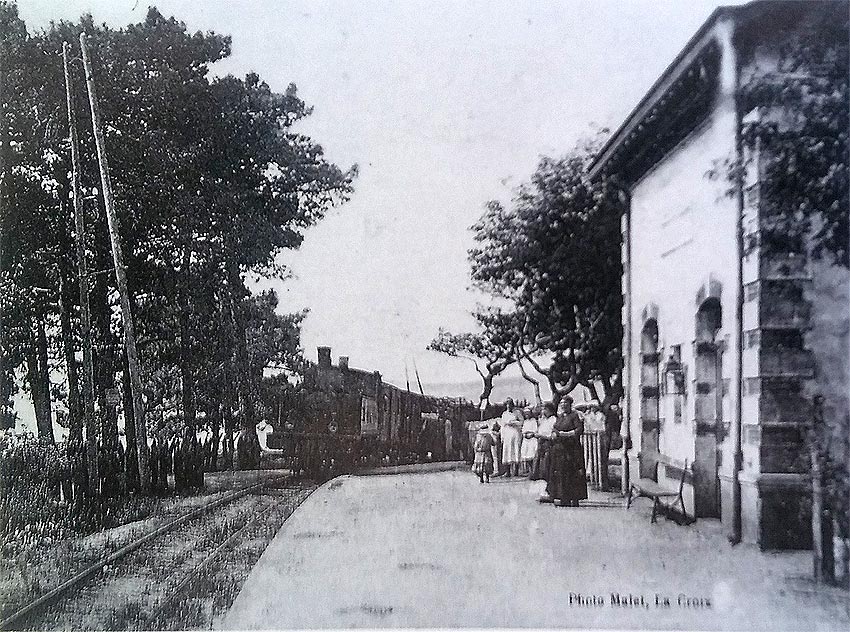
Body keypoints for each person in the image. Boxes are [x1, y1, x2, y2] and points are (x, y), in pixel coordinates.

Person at [547, 396, 588, 507]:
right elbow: (555, 428)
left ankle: (574, 498)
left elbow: (578, 431)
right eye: (561, 403)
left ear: (570, 404)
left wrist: (563, 434)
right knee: (561, 473)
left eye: (565, 403)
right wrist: (554, 434)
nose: (563, 405)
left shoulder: (574, 416)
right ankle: (563, 497)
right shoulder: (559, 417)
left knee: (572, 473)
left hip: (572, 449)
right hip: (560, 449)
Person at [530, 402, 557, 502]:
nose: (543, 411)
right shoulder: (544, 420)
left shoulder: (553, 420)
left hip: (548, 445)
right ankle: (546, 491)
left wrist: (541, 436)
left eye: (545, 409)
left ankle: (551, 492)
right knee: (542, 469)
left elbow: (552, 435)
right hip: (541, 445)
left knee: (548, 468)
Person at [500, 403, 523, 477]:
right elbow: (502, 425)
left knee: (515, 450)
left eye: (510, 405)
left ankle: (516, 471)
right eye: (507, 405)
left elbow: (521, 422)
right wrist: (502, 437)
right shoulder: (504, 414)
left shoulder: (517, 413)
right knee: (507, 451)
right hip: (507, 433)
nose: (509, 407)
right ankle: (508, 471)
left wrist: (514, 423)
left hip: (515, 433)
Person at [520, 406, 538, 475]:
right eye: (525, 414)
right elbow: (523, 430)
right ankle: (530, 470)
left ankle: (534, 471)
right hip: (526, 439)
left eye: (528, 413)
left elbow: (535, 430)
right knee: (526, 455)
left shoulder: (533, 421)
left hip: (532, 439)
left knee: (532, 455)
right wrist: (525, 434)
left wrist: (531, 434)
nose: (527, 415)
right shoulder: (525, 422)